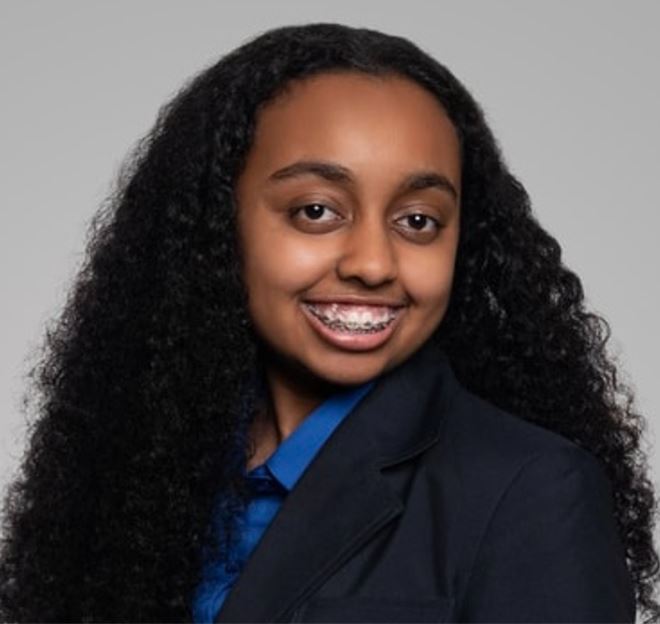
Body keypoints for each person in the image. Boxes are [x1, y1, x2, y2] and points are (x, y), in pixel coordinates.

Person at [0, 22, 658, 623]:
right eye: (316, 211)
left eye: (418, 221)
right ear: (217, 224)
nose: (374, 263)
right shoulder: (141, 469)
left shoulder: (533, 491)